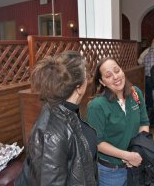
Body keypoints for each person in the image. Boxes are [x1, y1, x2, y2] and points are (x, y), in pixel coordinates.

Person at [15, 51, 98, 186]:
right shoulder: (51, 133)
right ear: (78, 88)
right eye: (86, 75)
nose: (88, 79)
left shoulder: (69, 111)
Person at [87, 57, 150, 186]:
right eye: (108, 75)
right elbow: (98, 142)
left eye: (117, 70)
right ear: (102, 82)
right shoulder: (97, 105)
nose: (115, 77)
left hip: (136, 165)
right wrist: (127, 156)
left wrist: (138, 151)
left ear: (122, 71)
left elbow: (144, 123)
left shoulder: (135, 93)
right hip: (111, 171)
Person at [142, 39, 154, 126]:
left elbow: (142, 65)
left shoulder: (146, 55)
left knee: (149, 102)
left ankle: (149, 122)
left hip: (147, 80)